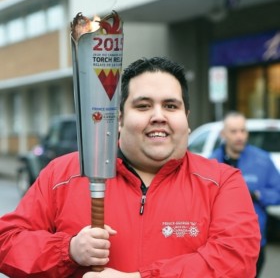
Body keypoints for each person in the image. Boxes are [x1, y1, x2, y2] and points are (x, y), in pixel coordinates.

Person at [0, 57, 260, 278]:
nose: (158, 116)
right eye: (143, 105)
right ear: (120, 119)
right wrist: (68, 250)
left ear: (186, 119)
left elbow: (236, 261)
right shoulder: (64, 174)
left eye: (171, 106)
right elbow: (7, 242)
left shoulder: (223, 182)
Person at [210, 111, 280, 278]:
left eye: (243, 130)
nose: (239, 136)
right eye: (234, 131)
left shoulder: (262, 160)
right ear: (223, 134)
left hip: (253, 242)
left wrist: (258, 195)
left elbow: (278, 192)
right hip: (219, 243)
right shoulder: (211, 162)